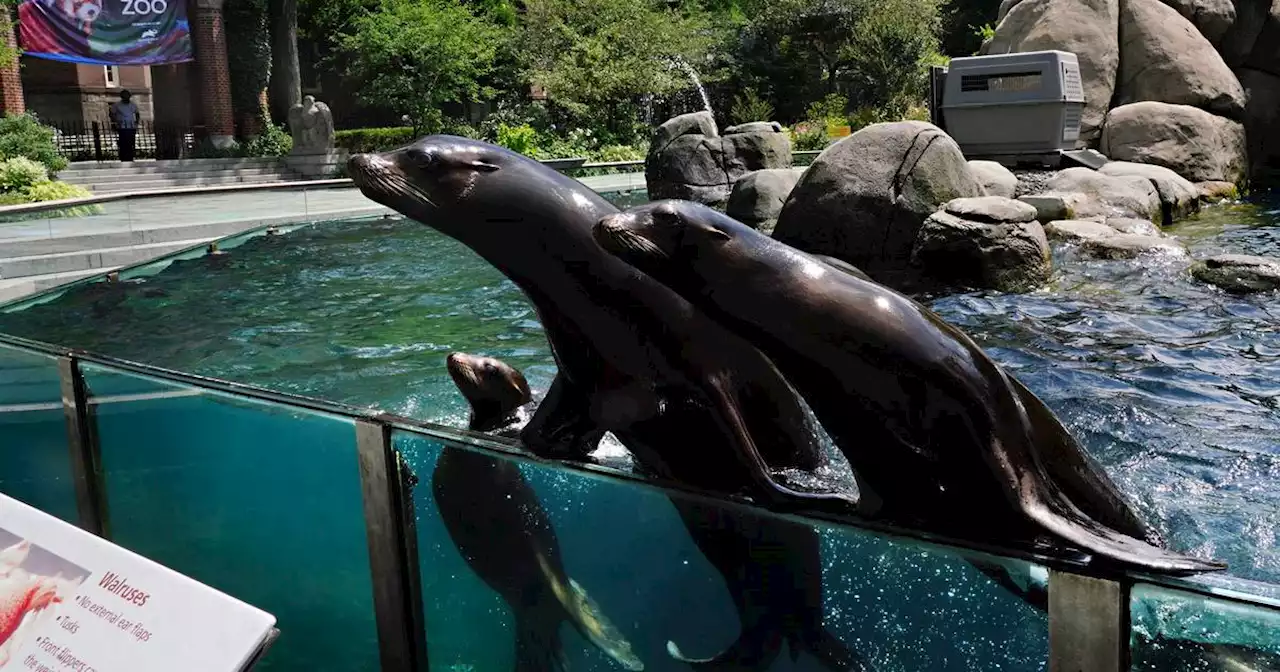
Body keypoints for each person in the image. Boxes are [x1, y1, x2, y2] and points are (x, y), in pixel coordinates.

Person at [109, 90, 141, 162]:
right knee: (123, 143)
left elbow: (137, 113)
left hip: (131, 126)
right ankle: (123, 157)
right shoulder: (117, 105)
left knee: (131, 142)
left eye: (128, 96)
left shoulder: (133, 105)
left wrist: (136, 122)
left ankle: (130, 157)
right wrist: (116, 121)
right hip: (122, 127)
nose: (126, 98)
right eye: (125, 96)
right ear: (122, 97)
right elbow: (112, 114)